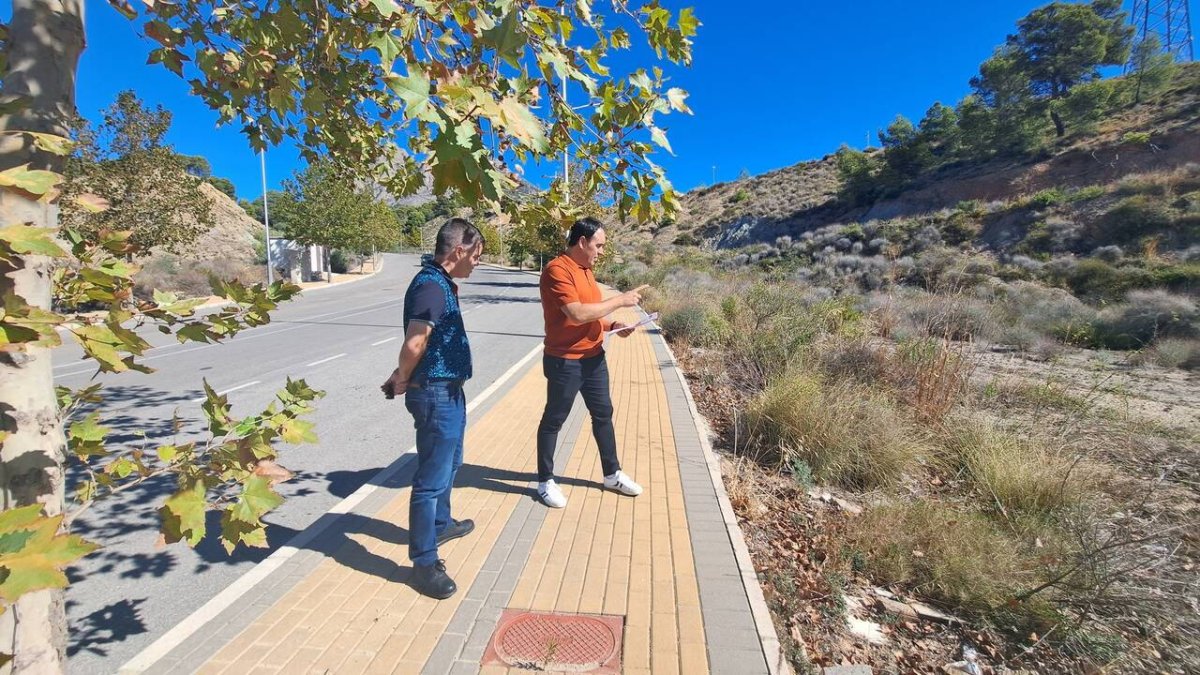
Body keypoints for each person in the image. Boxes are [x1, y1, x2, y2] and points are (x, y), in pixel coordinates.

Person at [381, 218, 484, 599]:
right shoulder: (430, 286)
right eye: (476, 255)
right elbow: (415, 343)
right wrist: (404, 377)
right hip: (435, 394)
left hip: (449, 391)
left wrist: (402, 374)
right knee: (430, 480)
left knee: (452, 462)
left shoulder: (440, 283)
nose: (477, 263)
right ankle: (424, 563)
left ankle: (441, 523)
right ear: (458, 251)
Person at [535, 217, 648, 509]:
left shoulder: (586, 271)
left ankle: (612, 474)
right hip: (565, 361)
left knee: (603, 414)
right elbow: (575, 314)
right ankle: (545, 481)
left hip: (593, 358)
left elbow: (592, 313)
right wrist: (620, 300)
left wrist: (612, 326)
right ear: (582, 242)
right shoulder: (556, 270)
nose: (601, 252)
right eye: (598, 245)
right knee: (554, 419)